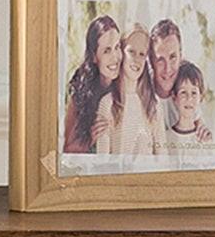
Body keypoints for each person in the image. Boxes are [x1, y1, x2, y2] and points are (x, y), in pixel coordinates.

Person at [94, 26, 166, 159]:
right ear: (120, 53)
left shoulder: (154, 104)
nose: (137, 59)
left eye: (142, 54)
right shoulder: (107, 103)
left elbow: (163, 158)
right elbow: (101, 161)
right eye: (131, 52)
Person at [62, 14, 122, 154]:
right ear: (94, 56)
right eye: (107, 50)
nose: (115, 57)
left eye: (117, 47)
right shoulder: (82, 90)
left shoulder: (126, 82)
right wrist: (89, 139)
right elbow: (65, 148)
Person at [150, 19, 212, 143]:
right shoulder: (142, 91)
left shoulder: (185, 89)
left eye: (173, 57)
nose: (168, 69)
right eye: (160, 60)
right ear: (151, 61)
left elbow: (197, 121)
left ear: (180, 55)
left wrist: (202, 130)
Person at [161, 60, 212, 156]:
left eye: (194, 93)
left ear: (201, 97)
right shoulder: (165, 138)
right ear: (174, 97)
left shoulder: (206, 139)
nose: (189, 98)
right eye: (183, 92)